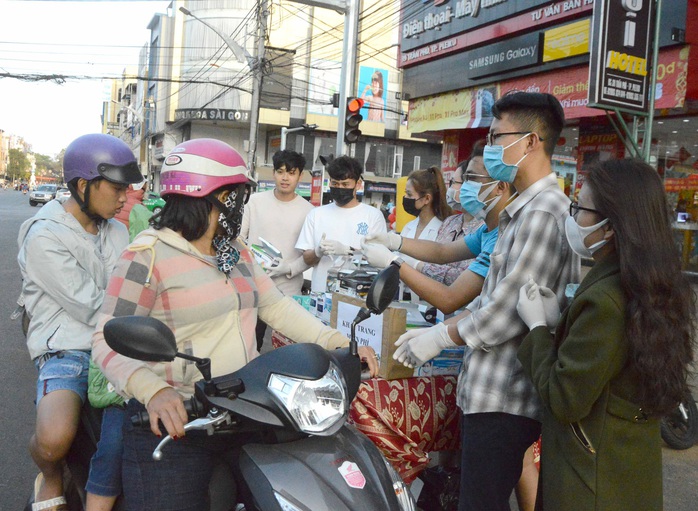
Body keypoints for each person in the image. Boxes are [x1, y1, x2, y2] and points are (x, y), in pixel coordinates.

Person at [90, 139, 379, 510]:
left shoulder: (234, 250)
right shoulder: (147, 256)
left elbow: (274, 304)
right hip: (177, 422)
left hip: (242, 411)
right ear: (210, 197)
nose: (239, 207)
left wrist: (337, 341)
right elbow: (106, 339)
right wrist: (152, 391)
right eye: (235, 197)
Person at [384, 92, 579, 511]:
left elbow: (508, 311)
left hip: (506, 397)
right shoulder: (519, 214)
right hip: (488, 392)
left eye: (496, 136)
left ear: (530, 142)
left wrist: (441, 334)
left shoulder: (544, 212)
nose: (490, 147)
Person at [516, 158, 695, 510]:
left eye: (579, 208)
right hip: (628, 467)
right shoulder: (655, 284)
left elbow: (565, 398)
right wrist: (563, 322)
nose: (573, 218)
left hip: (592, 478)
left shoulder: (606, 300)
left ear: (611, 227)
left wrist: (538, 328)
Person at [17, 133, 143, 511]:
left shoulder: (118, 230)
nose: (125, 198)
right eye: (117, 188)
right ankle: (51, 475)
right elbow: (91, 307)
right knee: (55, 438)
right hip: (69, 347)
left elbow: (134, 287)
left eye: (127, 189)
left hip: (117, 341)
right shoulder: (43, 236)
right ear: (84, 185)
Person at [362, 154, 512, 315]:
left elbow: (450, 299)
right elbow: (442, 252)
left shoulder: (503, 235)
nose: (463, 187)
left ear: (500, 187)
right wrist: (394, 241)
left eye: (471, 178)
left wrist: (392, 262)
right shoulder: (486, 231)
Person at [240, 149, 314, 350]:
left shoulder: (309, 212)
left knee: (285, 348)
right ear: (273, 173)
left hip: (289, 290)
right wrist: (250, 262)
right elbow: (238, 238)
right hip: (254, 285)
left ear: (300, 175)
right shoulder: (255, 202)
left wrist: (288, 269)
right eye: (280, 172)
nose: (285, 178)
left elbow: (310, 256)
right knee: (249, 344)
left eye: (291, 173)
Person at [296, 155, 387, 293]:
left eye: (345, 185)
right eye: (335, 184)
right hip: (321, 295)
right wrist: (317, 252)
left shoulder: (373, 216)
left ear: (357, 184)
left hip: (358, 295)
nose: (339, 188)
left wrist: (348, 251)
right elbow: (306, 259)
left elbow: (380, 260)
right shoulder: (316, 214)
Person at [399, 166, 452, 267]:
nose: (405, 198)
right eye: (406, 194)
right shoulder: (408, 227)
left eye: (409, 194)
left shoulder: (442, 231)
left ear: (427, 198)